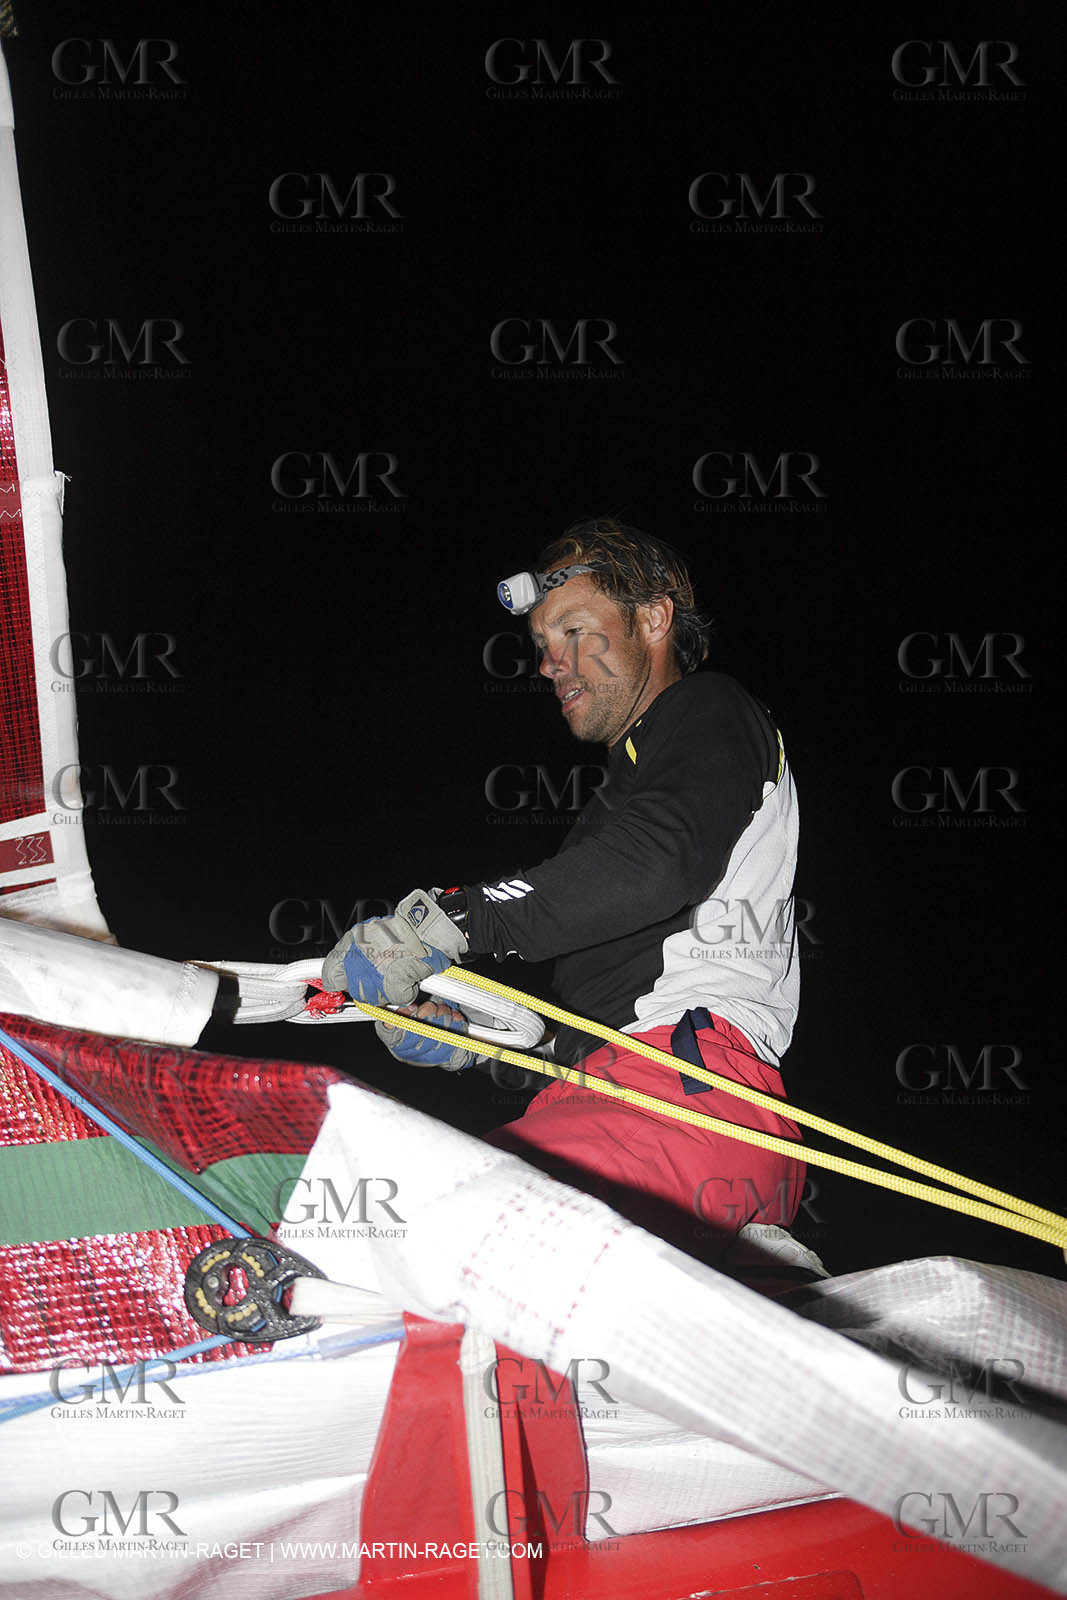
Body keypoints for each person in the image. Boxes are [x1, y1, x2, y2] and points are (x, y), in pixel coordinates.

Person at [323, 517, 805, 1259]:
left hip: (683, 1095)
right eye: (544, 644)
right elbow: (607, 1012)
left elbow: (653, 867)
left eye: (575, 630)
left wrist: (447, 921)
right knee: (389, 1242)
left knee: (396, 1230)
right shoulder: (618, 807)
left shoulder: (708, 707)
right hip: (628, 1093)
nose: (552, 663)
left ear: (654, 619)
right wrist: (479, 1036)